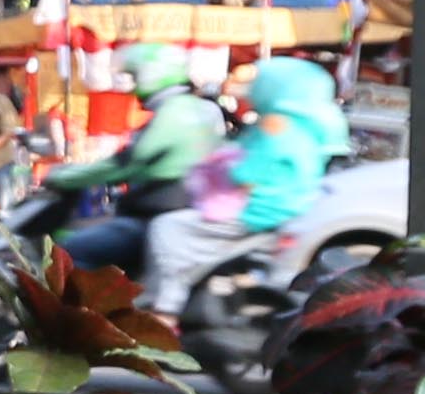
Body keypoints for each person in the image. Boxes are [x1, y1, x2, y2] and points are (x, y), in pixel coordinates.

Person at [143, 53, 340, 315]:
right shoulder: (307, 125)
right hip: (285, 209)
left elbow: (246, 174)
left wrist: (218, 167)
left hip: (257, 212)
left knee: (167, 229)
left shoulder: (275, 125)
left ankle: (165, 308)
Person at [32, 43, 225, 272]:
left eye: (135, 77)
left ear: (150, 76)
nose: (133, 86)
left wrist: (64, 176)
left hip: (156, 217)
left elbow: (124, 163)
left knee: (72, 252)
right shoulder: (198, 110)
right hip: (180, 212)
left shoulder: (173, 114)